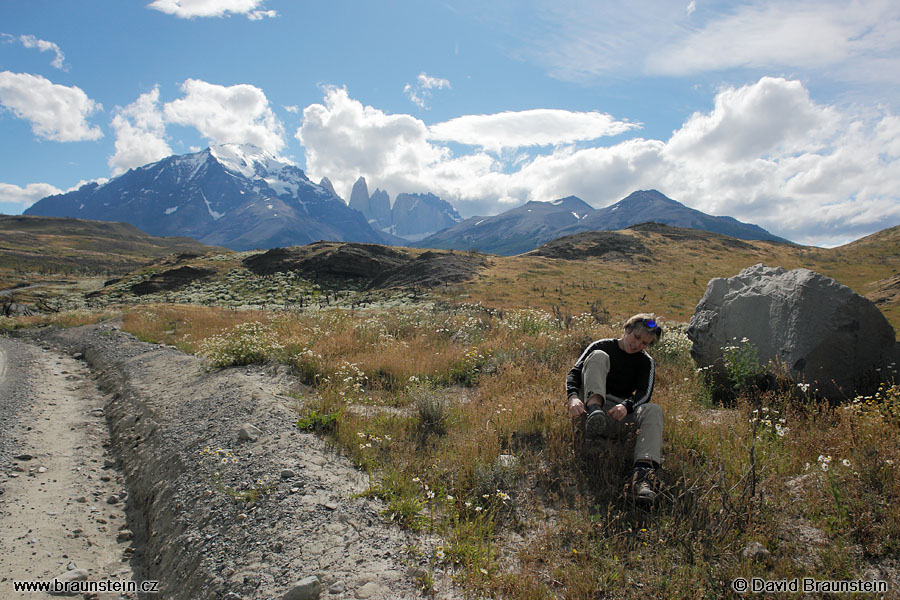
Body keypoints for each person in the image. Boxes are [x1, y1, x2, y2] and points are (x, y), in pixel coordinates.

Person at [565, 313, 664, 503]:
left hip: (618, 414)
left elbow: (645, 393)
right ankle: (595, 414)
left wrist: (627, 406)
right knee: (599, 357)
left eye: (644, 343)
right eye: (636, 337)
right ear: (627, 329)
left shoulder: (646, 362)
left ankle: (642, 478)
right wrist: (573, 398)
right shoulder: (601, 346)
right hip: (589, 407)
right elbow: (574, 373)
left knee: (654, 410)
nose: (637, 345)